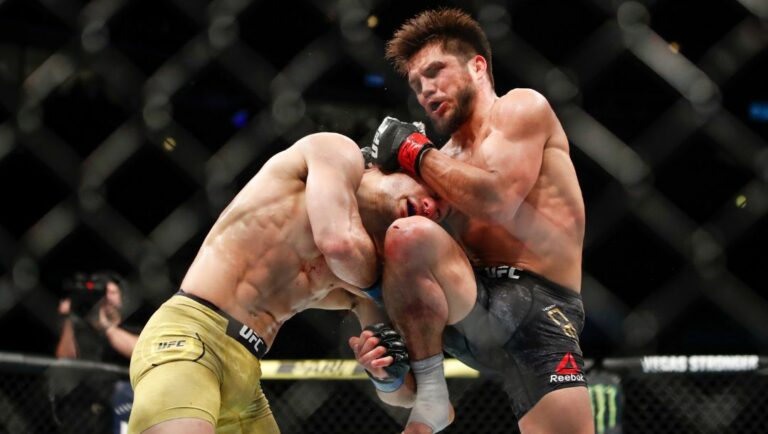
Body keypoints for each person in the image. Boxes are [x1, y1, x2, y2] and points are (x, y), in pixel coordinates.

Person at [355, 8, 593, 434]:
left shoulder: (521, 108)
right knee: (404, 236)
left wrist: (413, 152)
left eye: (435, 71)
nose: (426, 89)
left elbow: (498, 201)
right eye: (416, 83)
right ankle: (432, 394)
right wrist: (388, 377)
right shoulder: (438, 161)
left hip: (540, 307)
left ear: (477, 65)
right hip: (467, 303)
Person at [127, 132, 448, 434]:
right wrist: (392, 292)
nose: (430, 209)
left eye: (437, 217)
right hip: (192, 337)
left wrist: (384, 372)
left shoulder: (366, 274)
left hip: (246, 376)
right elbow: (338, 244)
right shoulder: (335, 151)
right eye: (430, 191)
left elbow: (405, 395)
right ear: (392, 165)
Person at [56, 272, 139, 362]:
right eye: (103, 293)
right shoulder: (82, 331)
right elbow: (65, 358)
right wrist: (68, 318)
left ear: (122, 298)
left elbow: (140, 352)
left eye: (112, 292)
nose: (107, 297)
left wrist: (104, 325)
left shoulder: (133, 328)